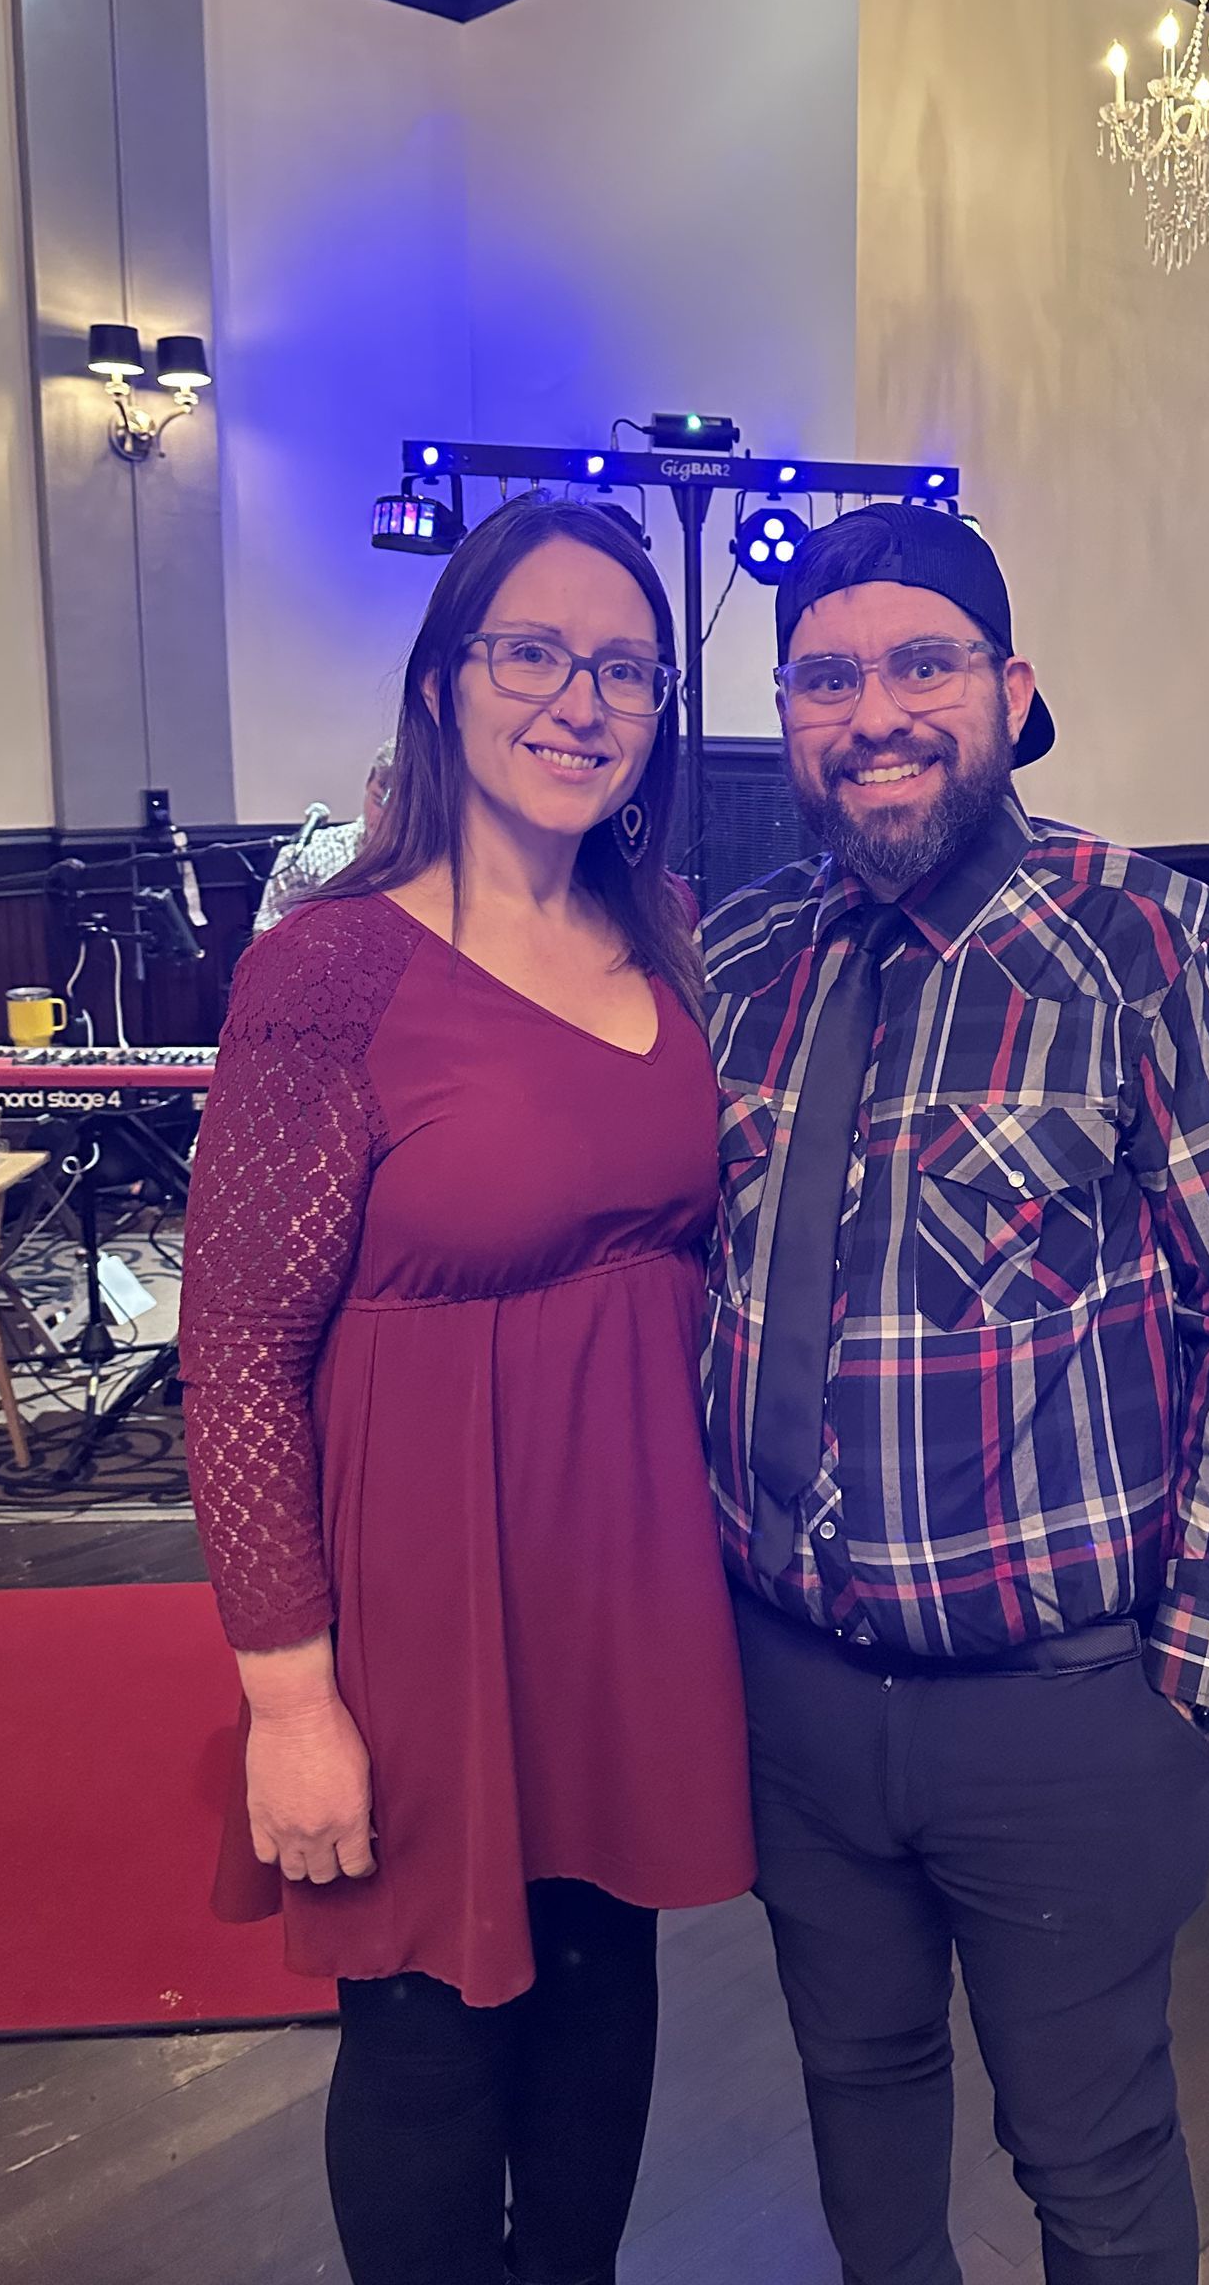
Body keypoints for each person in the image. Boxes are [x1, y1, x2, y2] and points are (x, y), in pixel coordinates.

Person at [700, 505, 1209, 2285]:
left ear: (1013, 690)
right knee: (858, 2091)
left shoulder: (1154, 947)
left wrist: (1194, 1675)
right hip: (798, 1699)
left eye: (924, 663)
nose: (876, 711)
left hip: (1061, 1719)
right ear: (788, 718)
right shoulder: (742, 963)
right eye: (826, 676)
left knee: (1090, 2152)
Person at [179, 498, 753, 2285]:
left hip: (628, 1585)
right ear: (441, 686)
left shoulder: (668, 927)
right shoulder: (332, 967)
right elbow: (237, 1353)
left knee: (601, 1985)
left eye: (627, 671)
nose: (581, 701)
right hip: (424, 1599)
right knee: (430, 2033)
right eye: (534, 653)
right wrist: (290, 1704)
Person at [252, 737, 397, 931]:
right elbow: (267, 941)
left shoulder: (434, 863)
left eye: (399, 811)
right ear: (368, 782)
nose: (383, 819)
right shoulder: (309, 855)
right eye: (378, 801)